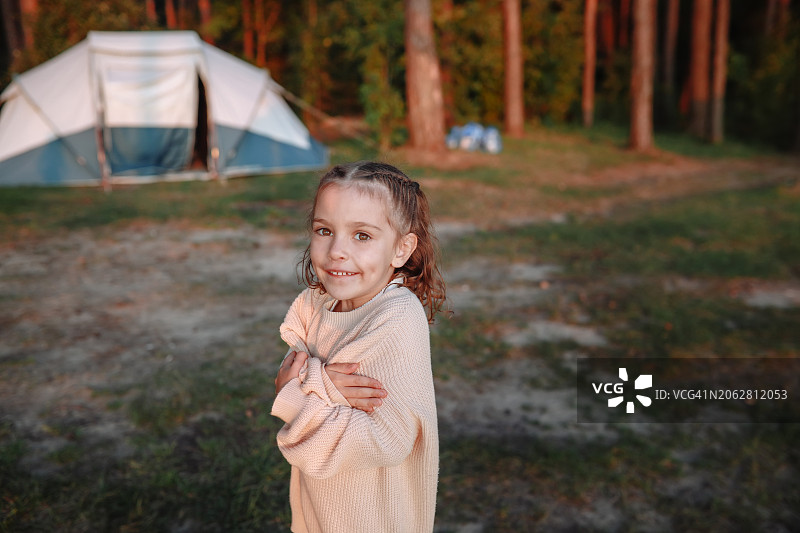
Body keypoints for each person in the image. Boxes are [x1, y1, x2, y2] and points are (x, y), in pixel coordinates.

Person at [271, 161, 446, 533]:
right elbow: (292, 372)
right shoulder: (314, 304)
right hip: (319, 509)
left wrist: (302, 396)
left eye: (362, 236)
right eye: (324, 230)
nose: (337, 250)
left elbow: (387, 438)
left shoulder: (397, 317)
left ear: (401, 249)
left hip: (372, 518)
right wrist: (321, 383)